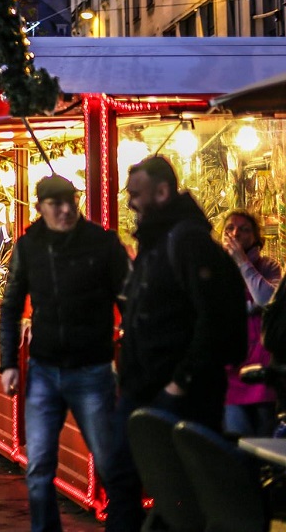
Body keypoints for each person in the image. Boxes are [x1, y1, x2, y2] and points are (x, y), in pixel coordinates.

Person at [110, 155, 248, 531]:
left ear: (162, 192)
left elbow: (216, 320)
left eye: (135, 194)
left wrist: (180, 381)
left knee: (174, 488)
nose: (130, 203)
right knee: (130, 478)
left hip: (176, 392)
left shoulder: (187, 243)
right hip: (146, 387)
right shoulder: (158, 245)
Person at [0, 175, 130, 532]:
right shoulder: (29, 247)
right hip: (44, 368)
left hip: (93, 368)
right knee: (38, 467)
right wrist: (8, 362)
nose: (66, 209)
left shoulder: (102, 244)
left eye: (71, 200)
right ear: (40, 207)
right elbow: (10, 306)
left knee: (110, 463)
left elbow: (130, 301)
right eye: (56, 203)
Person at [221, 209, 282, 436]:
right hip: (231, 371)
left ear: (256, 237)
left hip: (263, 370)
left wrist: (243, 263)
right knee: (238, 440)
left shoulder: (269, 267)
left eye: (244, 229)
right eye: (230, 228)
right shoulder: (217, 267)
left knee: (264, 440)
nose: (236, 233)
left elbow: (266, 299)